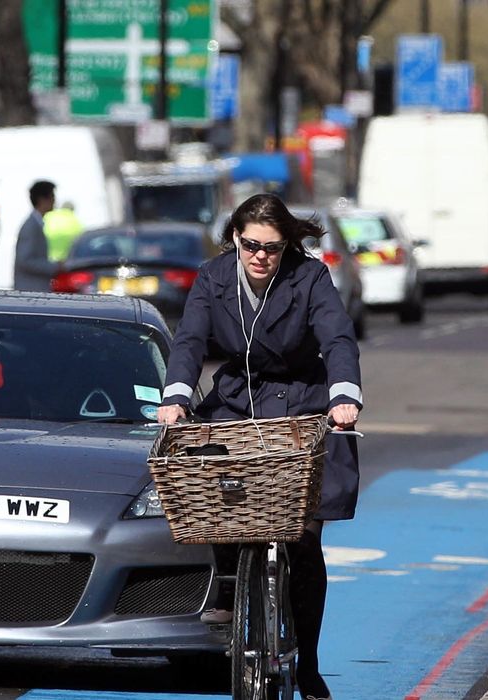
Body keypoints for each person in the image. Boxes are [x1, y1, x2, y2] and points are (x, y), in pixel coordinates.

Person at [157, 193, 361, 700]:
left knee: (304, 538)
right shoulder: (214, 277)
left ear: (286, 245)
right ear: (234, 238)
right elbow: (189, 341)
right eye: (251, 245)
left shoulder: (309, 277)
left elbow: (337, 338)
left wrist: (344, 396)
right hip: (237, 403)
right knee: (211, 480)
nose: (260, 257)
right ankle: (228, 578)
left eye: (271, 248)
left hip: (300, 404)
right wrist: (176, 394)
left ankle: (308, 663)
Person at [13, 180, 59, 291]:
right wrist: (54, 267)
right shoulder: (31, 227)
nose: (54, 200)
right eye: (52, 196)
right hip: (31, 291)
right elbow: (25, 260)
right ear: (42, 199)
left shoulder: (35, 224)